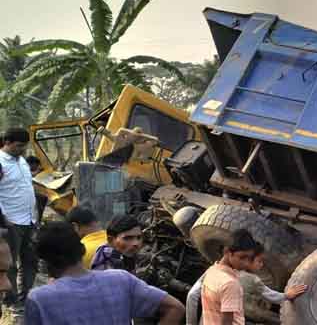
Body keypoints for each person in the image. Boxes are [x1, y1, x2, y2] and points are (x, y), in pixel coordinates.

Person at [25, 221, 185, 324]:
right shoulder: (120, 279)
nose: (135, 244)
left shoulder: (39, 299)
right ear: (81, 249)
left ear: (44, 261)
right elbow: (176, 308)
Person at [186, 243, 307, 325]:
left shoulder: (215, 270)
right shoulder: (252, 280)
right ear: (248, 260)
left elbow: (192, 295)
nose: (262, 265)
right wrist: (287, 295)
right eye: (259, 261)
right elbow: (271, 296)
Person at [0, 128, 38, 308]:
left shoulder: (21, 160)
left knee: (30, 259)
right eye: (19, 146)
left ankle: (27, 296)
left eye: (24, 146)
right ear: (7, 142)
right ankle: (11, 301)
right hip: (11, 221)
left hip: (29, 220)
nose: (22, 150)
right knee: (10, 264)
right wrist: (4, 218)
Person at [201, 229, 259, 325]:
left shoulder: (212, 271)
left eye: (249, 258)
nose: (246, 263)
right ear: (227, 252)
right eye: (242, 257)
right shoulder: (230, 283)